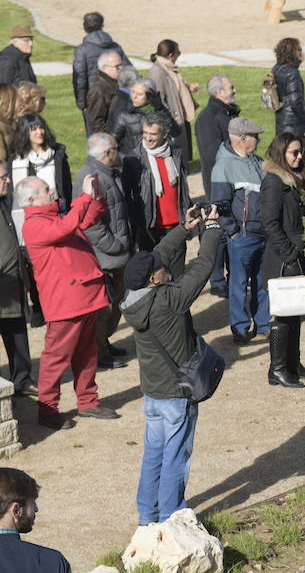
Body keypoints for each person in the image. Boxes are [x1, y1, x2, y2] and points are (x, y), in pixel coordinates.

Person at [121, 206, 224, 525]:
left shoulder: (133, 296)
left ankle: (147, 516)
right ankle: (171, 515)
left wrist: (184, 228)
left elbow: (156, 254)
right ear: (154, 279)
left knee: (154, 455)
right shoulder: (169, 300)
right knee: (176, 457)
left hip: (153, 394)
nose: (165, 265)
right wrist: (211, 229)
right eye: (160, 268)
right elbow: (204, 265)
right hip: (176, 395)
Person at [17, 174, 117, 428]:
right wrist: (83, 197)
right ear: (31, 199)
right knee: (56, 358)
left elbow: (86, 219)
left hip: (83, 298)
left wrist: (94, 198)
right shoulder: (34, 225)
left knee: (87, 352)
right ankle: (48, 410)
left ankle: (88, 400)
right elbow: (67, 227)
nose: (52, 192)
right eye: (45, 189)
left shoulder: (53, 218)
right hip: (65, 303)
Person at [74, 132, 136, 369]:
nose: (119, 151)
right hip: (104, 257)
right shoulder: (90, 177)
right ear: (107, 153)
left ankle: (104, 344)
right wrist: (115, 246)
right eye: (116, 148)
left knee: (116, 302)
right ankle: (98, 353)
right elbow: (89, 224)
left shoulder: (108, 173)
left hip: (116, 256)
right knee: (104, 308)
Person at [260, 132, 305, 388]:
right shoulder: (274, 181)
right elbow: (270, 223)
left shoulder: (295, 178)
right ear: (282, 153)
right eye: (295, 152)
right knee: (283, 315)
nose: (300, 156)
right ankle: (278, 369)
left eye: (301, 151)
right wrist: (289, 254)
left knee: (295, 311)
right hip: (283, 258)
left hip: (296, 254)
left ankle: (293, 363)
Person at [210, 116, 269, 343]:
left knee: (262, 282)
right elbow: (220, 204)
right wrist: (233, 232)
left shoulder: (257, 161)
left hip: (263, 233)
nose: (259, 139)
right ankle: (241, 326)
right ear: (242, 139)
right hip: (242, 236)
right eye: (255, 136)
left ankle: (263, 322)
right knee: (239, 283)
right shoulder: (223, 167)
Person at [195, 74, 238, 297]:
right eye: (231, 87)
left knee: (231, 227)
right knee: (219, 231)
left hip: (230, 180)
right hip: (218, 183)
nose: (234, 90)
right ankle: (217, 281)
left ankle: (231, 278)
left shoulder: (226, 113)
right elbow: (214, 155)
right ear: (219, 92)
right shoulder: (207, 119)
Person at [0, 166, 36, 396]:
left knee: (17, 333)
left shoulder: (4, 201)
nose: (8, 180)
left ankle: (22, 379)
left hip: (13, 282)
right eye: (3, 177)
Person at [132, 111, 190, 250]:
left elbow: (182, 189)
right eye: (145, 133)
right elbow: (129, 195)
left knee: (177, 272)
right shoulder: (134, 159)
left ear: (165, 135)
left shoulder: (176, 153)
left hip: (177, 226)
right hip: (150, 230)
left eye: (153, 134)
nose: (147, 138)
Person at [147, 39, 199, 162]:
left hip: (178, 114)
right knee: (175, 155)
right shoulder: (157, 71)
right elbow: (159, 99)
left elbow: (174, 87)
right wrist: (170, 119)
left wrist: (187, 88)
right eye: (177, 53)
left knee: (182, 153)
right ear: (171, 56)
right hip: (172, 118)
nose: (178, 55)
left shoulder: (167, 67)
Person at [9, 113, 72, 212]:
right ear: (25, 132)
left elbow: (66, 187)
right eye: (34, 129)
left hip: (56, 210)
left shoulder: (57, 154)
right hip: (28, 213)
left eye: (41, 128)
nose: (40, 132)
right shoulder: (15, 159)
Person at [71, 11, 127, 122]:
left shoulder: (82, 50)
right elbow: (128, 72)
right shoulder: (116, 47)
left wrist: (82, 104)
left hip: (94, 100)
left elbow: (79, 79)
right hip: (116, 98)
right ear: (102, 25)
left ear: (85, 27)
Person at [112, 78, 172, 157]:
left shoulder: (159, 111)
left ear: (150, 96)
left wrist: (161, 109)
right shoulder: (124, 115)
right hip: (134, 162)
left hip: (158, 158)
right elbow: (112, 141)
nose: (134, 97)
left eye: (139, 94)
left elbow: (175, 132)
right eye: (133, 92)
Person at [271, 37, 305, 136]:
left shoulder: (276, 68)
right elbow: (295, 101)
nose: (301, 52)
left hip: (281, 119)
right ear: (291, 52)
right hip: (293, 123)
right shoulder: (292, 73)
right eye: (299, 49)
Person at [83, 50, 124, 135]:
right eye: (117, 67)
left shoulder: (116, 83)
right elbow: (96, 123)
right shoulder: (99, 90)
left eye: (121, 65)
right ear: (104, 68)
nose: (121, 69)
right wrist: (112, 139)